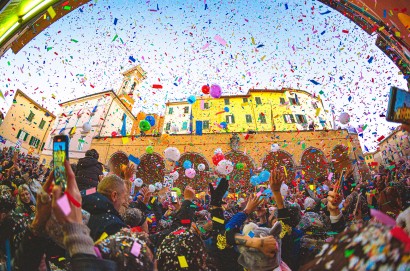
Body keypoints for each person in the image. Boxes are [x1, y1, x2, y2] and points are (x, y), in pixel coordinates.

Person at [82, 174, 129, 241]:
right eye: (124, 197)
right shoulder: (115, 226)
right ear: (114, 196)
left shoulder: (78, 202)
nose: (124, 201)